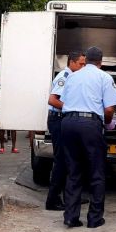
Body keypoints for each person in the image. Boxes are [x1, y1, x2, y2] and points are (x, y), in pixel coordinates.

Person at [60, 46, 116, 229]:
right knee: (96, 172)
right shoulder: (104, 77)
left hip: (68, 123)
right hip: (90, 125)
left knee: (73, 171)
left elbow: (63, 100)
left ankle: (71, 217)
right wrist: (107, 123)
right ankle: (94, 219)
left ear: (85, 61)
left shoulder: (72, 76)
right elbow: (109, 109)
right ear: (101, 62)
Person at [45, 51, 86, 211]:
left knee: (71, 160)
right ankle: (52, 200)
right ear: (72, 63)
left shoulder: (75, 77)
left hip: (66, 120)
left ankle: (71, 196)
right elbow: (52, 100)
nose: (83, 67)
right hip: (58, 120)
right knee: (61, 160)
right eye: (81, 64)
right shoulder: (65, 76)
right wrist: (72, 108)